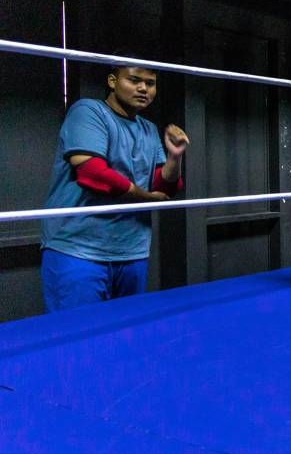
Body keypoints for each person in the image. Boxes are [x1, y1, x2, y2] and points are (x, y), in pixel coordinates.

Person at [40, 60, 189, 311]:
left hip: (131, 250)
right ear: (112, 81)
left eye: (150, 84)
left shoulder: (149, 129)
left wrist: (175, 157)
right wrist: (146, 198)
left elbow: (164, 185)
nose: (144, 88)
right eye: (134, 80)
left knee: (125, 335)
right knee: (77, 337)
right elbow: (92, 173)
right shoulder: (88, 112)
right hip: (78, 249)